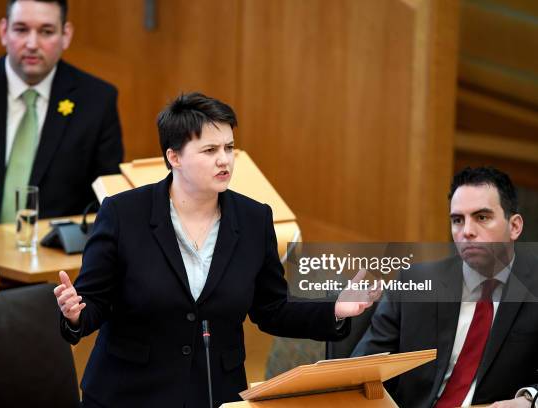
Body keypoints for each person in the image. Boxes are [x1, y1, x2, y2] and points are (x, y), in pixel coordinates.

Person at [55, 92, 377, 407]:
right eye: (210, 150)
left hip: (213, 393)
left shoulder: (254, 219)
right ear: (174, 157)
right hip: (129, 394)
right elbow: (93, 302)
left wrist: (334, 309)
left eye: (229, 147)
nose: (224, 159)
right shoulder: (123, 214)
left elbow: (272, 310)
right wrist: (75, 315)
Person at [352, 167, 538, 407]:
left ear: (514, 226)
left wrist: (529, 399)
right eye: (457, 220)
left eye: (482, 217)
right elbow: (360, 373)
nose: (467, 232)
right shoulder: (413, 283)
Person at [0, 0, 123, 225]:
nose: (32, 44)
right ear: (3, 31)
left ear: (66, 35)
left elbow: (106, 196)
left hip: (54, 250)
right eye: (21, 29)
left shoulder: (97, 100)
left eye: (46, 32)